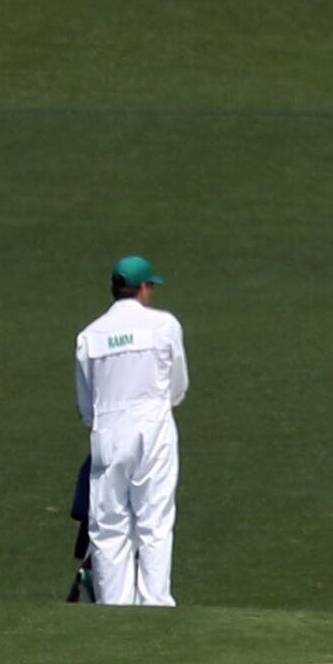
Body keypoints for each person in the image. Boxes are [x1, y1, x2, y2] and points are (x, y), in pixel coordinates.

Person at [74, 255, 188, 607]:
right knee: (154, 519)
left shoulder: (89, 335)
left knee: (108, 527)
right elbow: (179, 386)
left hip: (107, 431)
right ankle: (155, 605)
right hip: (153, 426)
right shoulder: (164, 325)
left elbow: (85, 404)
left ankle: (114, 611)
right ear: (143, 288)